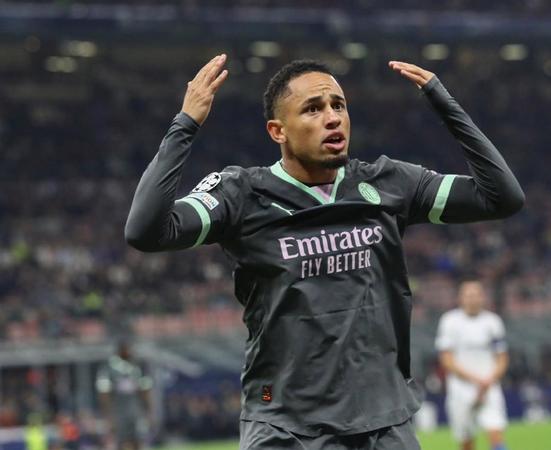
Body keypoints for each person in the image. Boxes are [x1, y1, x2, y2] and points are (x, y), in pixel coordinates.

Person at [125, 54, 524, 449]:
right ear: (278, 131)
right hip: (284, 423)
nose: (332, 118)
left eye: (338, 106)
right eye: (313, 109)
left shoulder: (388, 183)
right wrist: (185, 125)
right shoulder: (242, 195)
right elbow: (146, 231)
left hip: (383, 423)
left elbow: (501, 197)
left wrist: (444, 105)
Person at [435, 278, 510, 450]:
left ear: (483, 297)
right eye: (468, 295)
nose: (473, 299)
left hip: (489, 386)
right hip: (461, 388)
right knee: (467, 441)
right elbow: (446, 359)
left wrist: (489, 380)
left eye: (476, 295)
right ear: (460, 298)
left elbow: (502, 357)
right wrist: (476, 380)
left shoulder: (493, 321)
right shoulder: (449, 321)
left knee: (496, 432)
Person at [96, 341, 152, 450]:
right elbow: (104, 393)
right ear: (121, 350)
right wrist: (108, 414)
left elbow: (145, 390)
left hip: (136, 410)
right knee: (121, 441)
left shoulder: (138, 366)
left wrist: (148, 411)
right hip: (118, 411)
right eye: (128, 349)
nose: (131, 352)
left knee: (138, 439)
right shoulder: (108, 368)